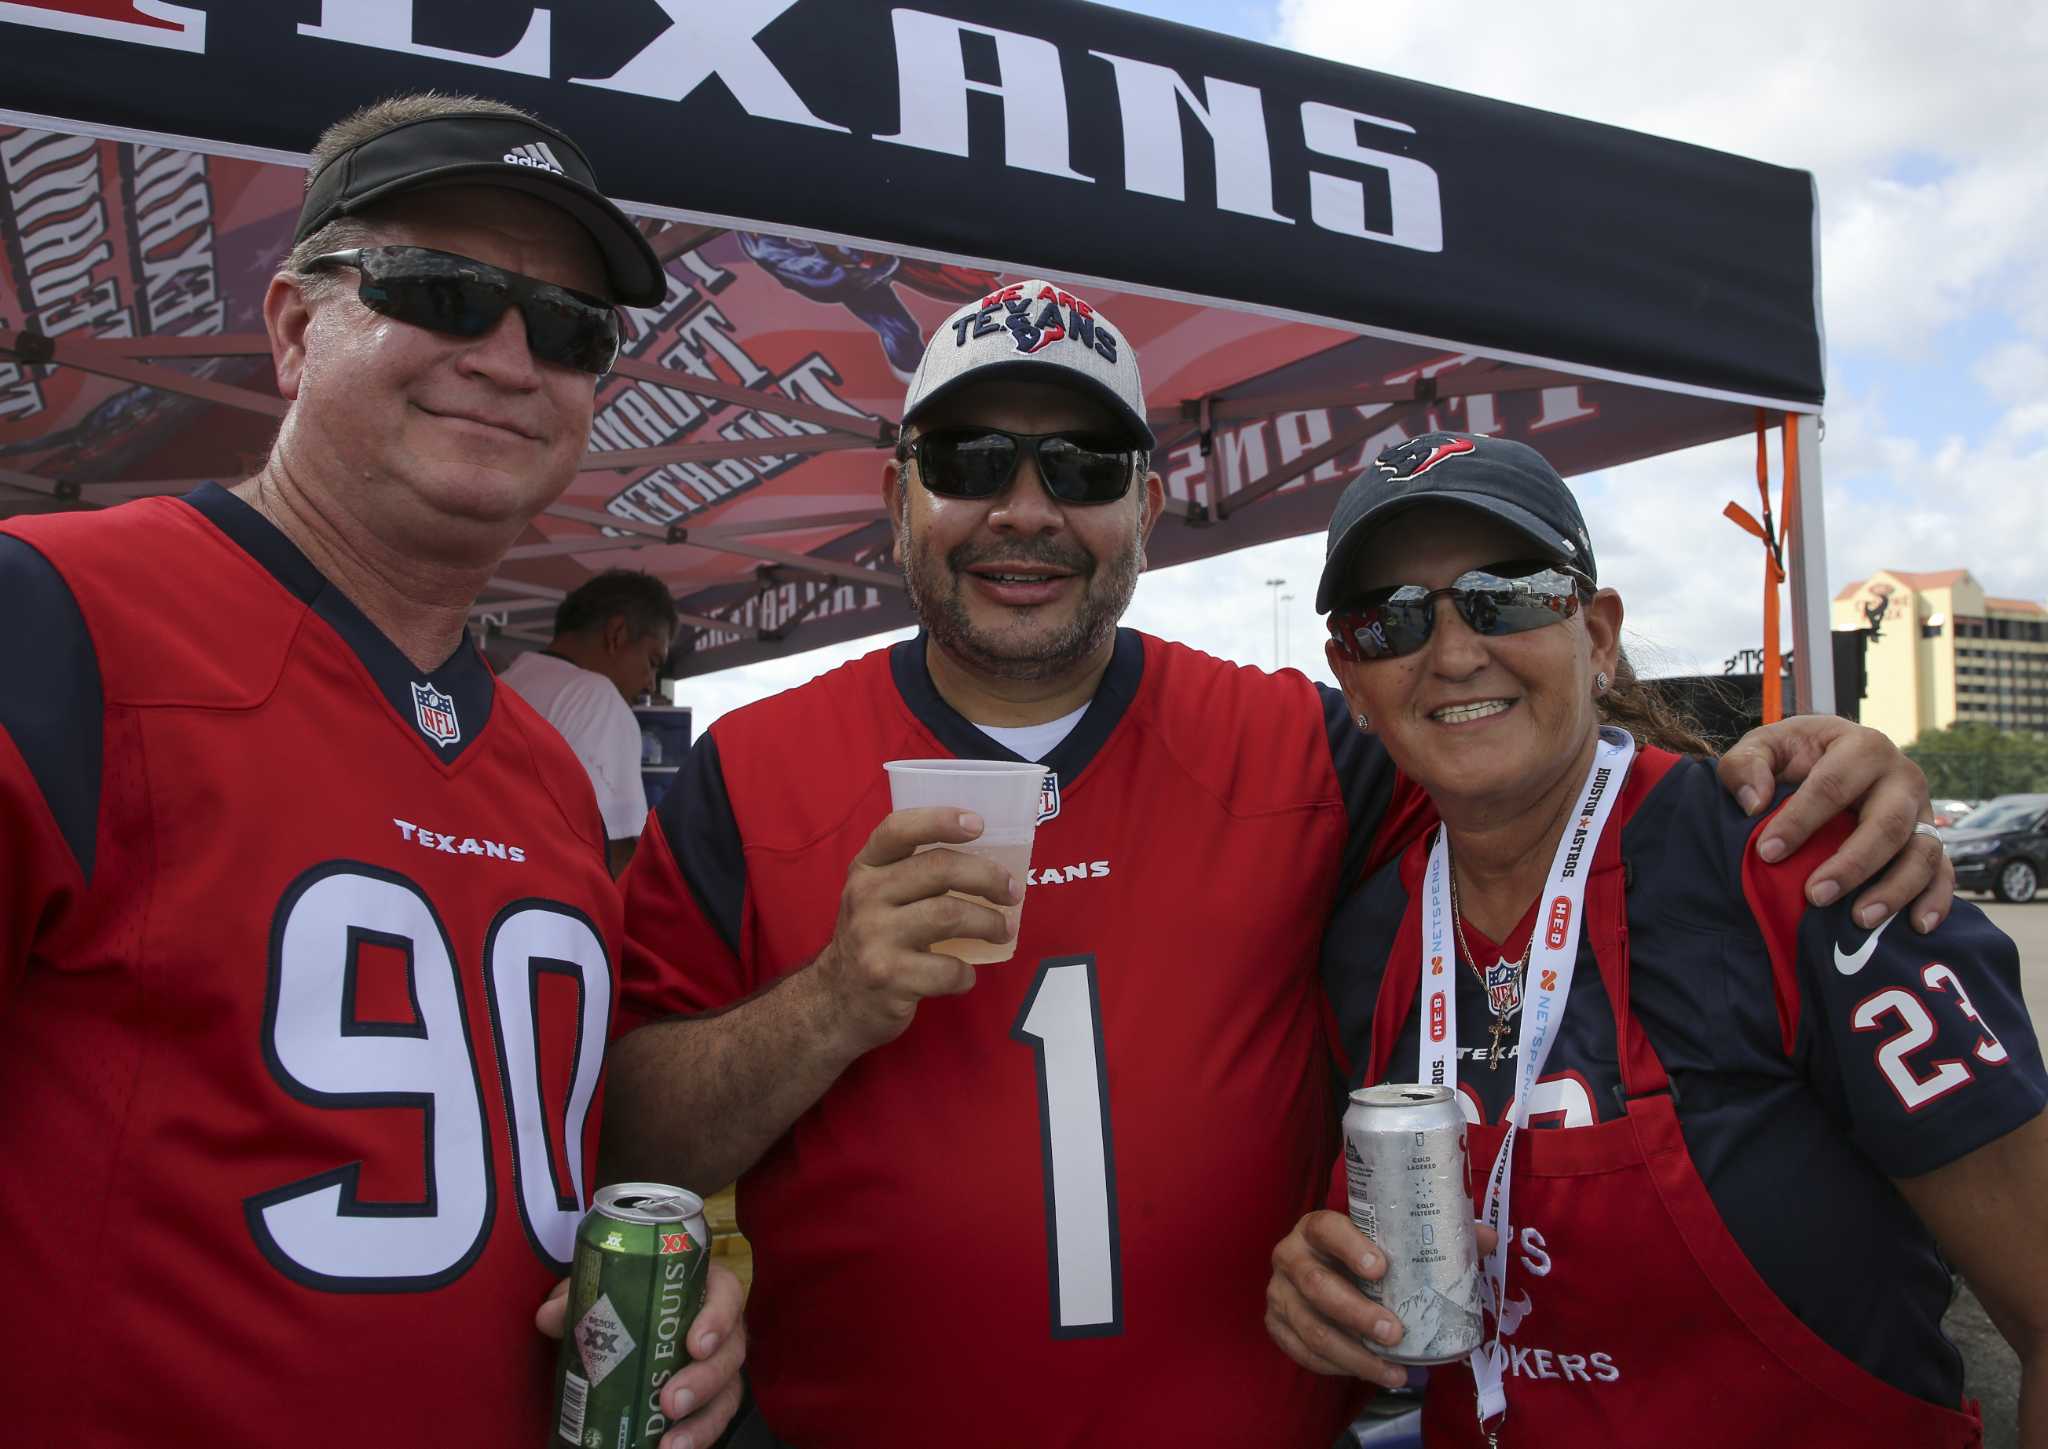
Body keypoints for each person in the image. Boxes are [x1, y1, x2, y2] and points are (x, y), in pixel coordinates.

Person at [600, 284, 1951, 1446]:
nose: (1026, 510)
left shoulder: (1304, 744)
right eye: (969, 461)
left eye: (1081, 468)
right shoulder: (748, 771)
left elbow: (1523, 780)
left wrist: (1785, 761)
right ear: (901, 492)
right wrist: (831, 1000)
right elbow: (632, 1139)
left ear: (1150, 502)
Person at [0, 95, 744, 1447]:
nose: (513, 361)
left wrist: (686, 1325)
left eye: (571, 330)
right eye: (443, 292)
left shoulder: (549, 769)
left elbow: (520, 1179)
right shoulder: (53, 622)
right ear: (294, 327)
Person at [1265, 432, 2048, 1445]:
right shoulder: (1362, 937)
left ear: (1594, 635)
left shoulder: (1798, 871)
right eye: (1391, 621)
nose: (1452, 652)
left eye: (1506, 594)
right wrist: (1317, 1286)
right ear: (1351, 681)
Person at [502, 568, 679, 875]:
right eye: (652, 662)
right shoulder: (598, 698)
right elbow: (616, 854)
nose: (650, 684)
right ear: (617, 635)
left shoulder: (502, 684)